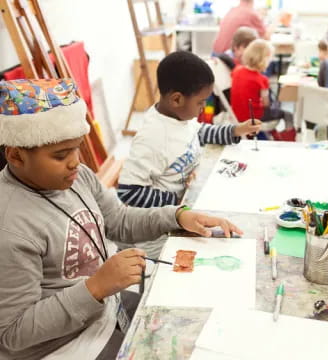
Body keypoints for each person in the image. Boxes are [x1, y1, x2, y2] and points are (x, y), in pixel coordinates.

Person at [0, 79, 242, 360]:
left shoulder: (77, 178)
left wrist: (176, 216)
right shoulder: (10, 228)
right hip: (62, 345)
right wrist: (96, 287)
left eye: (77, 148)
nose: (75, 162)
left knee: (193, 323)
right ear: (16, 155)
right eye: (61, 155)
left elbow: (118, 220)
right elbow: (12, 334)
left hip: (103, 306)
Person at [117, 51, 261, 209]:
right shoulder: (152, 138)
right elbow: (128, 191)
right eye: (201, 102)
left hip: (194, 192)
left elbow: (199, 133)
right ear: (177, 99)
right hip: (170, 218)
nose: (204, 107)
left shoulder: (181, 117)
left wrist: (237, 130)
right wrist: (179, 200)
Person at [231, 39, 294, 133]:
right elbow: (266, 103)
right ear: (264, 59)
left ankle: (273, 135)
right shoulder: (261, 79)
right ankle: (288, 139)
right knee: (287, 114)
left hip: (236, 115)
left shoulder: (237, 70)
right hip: (254, 117)